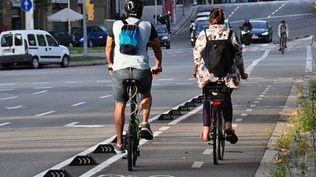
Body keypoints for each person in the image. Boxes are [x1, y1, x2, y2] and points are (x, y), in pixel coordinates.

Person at [105, 0, 162, 154]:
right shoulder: (147, 26)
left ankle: (118, 143)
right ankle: (144, 123)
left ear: (126, 11)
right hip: (141, 69)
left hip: (120, 70)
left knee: (120, 104)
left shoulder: (116, 25)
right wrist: (158, 65)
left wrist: (110, 63)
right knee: (146, 93)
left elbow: (109, 46)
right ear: (141, 11)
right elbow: (157, 46)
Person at [192, 8, 248, 144]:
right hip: (227, 75)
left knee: (206, 98)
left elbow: (197, 56)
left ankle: (206, 131)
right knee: (227, 97)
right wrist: (242, 73)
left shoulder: (204, 34)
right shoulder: (230, 34)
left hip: (207, 75)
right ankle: (228, 126)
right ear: (223, 19)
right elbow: (238, 56)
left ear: (210, 20)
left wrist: (195, 71)